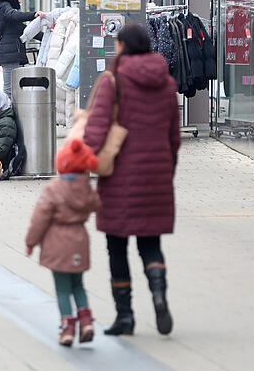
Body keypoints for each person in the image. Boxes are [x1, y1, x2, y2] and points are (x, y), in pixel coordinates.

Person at [83, 23, 180, 337]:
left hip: (121, 175)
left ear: (124, 46)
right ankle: (158, 292)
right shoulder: (166, 83)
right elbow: (173, 136)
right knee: (150, 244)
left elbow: (96, 129)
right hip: (157, 173)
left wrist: (81, 164)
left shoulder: (114, 80)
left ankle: (125, 317)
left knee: (117, 246)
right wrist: (168, 171)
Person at [25, 139, 100, 346]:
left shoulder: (53, 189)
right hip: (79, 240)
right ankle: (87, 322)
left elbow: (39, 218)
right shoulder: (86, 188)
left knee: (62, 288)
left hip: (57, 242)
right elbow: (96, 205)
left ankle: (67, 327)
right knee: (78, 284)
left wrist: (31, 242)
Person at [0, 0, 46, 98]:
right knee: (10, 88)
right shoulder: (4, 5)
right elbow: (14, 16)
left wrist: (46, 37)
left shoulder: (6, 6)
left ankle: (14, 112)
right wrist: (34, 14)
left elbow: (24, 30)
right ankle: (7, 113)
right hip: (9, 52)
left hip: (13, 51)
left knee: (16, 87)